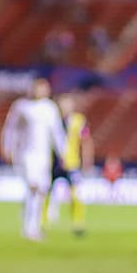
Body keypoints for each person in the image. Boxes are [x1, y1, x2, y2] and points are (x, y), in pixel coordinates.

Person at [0, 77, 65, 242]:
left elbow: (57, 133)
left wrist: (63, 153)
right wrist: (8, 148)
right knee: (34, 187)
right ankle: (30, 229)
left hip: (44, 155)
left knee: (42, 190)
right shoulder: (21, 106)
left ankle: (31, 222)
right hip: (26, 155)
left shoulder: (50, 108)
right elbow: (10, 128)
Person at [52, 92, 93, 236]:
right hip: (53, 164)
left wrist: (87, 161)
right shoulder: (52, 119)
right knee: (44, 195)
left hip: (72, 163)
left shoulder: (78, 120)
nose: (65, 106)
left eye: (68, 103)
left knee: (76, 195)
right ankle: (41, 224)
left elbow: (86, 141)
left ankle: (78, 224)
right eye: (63, 103)